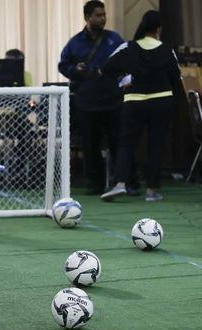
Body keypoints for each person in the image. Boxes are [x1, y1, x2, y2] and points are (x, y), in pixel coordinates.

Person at [99, 10, 184, 202]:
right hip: (162, 102)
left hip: (134, 102)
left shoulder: (127, 47)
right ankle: (152, 191)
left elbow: (105, 69)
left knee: (126, 144)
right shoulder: (167, 49)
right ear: (159, 29)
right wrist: (177, 106)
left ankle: (120, 183)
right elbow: (176, 80)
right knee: (156, 145)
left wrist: (123, 80)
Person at [58, 1, 125, 195]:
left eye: (104, 15)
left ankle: (121, 182)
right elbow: (63, 65)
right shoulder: (75, 42)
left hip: (112, 100)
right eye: (98, 15)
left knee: (118, 143)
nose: (102, 19)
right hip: (87, 101)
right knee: (90, 145)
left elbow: (126, 61)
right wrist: (74, 70)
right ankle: (94, 183)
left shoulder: (115, 39)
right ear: (87, 18)